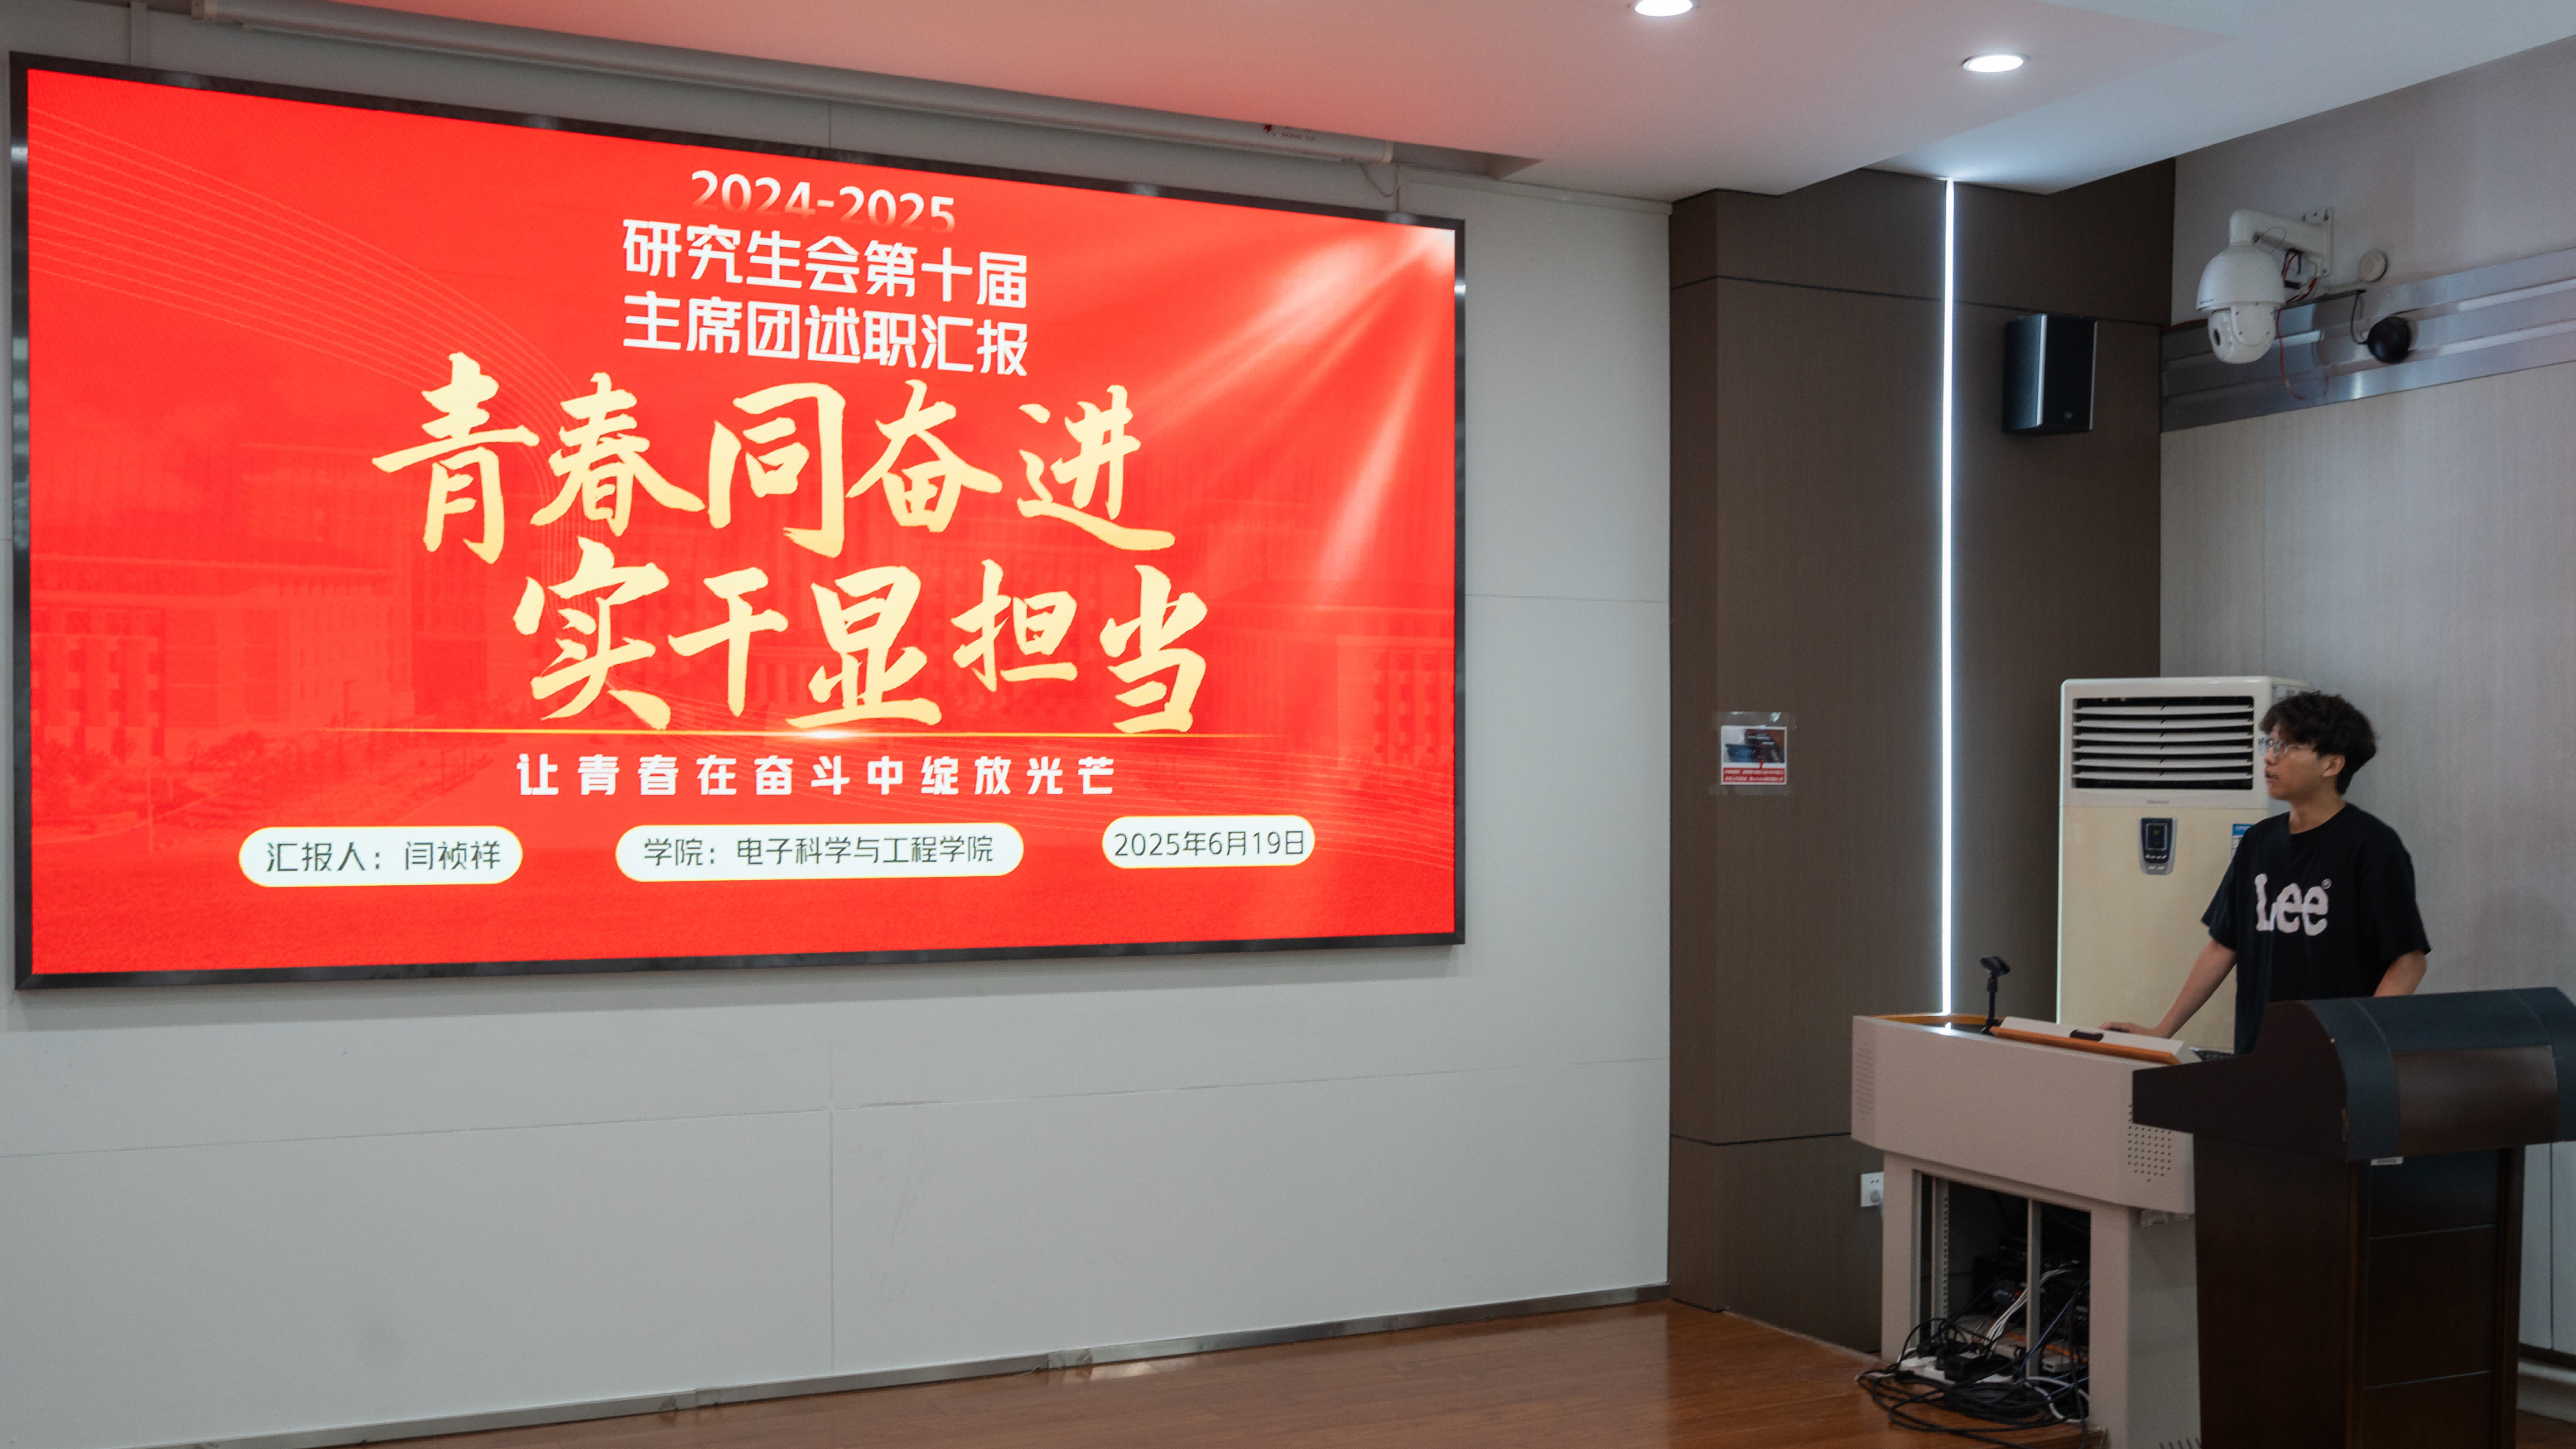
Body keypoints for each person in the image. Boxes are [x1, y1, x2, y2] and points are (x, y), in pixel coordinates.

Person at [2106, 691, 2428, 1053]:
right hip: (2257, 1051)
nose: (2270, 757)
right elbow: (2222, 945)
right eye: (2269, 744)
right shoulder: (2258, 841)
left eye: (2287, 747)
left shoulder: (2373, 846)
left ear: (2332, 765)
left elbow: (2409, 962)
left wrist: (2360, 1043)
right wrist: (2161, 1031)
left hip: (2336, 1059)